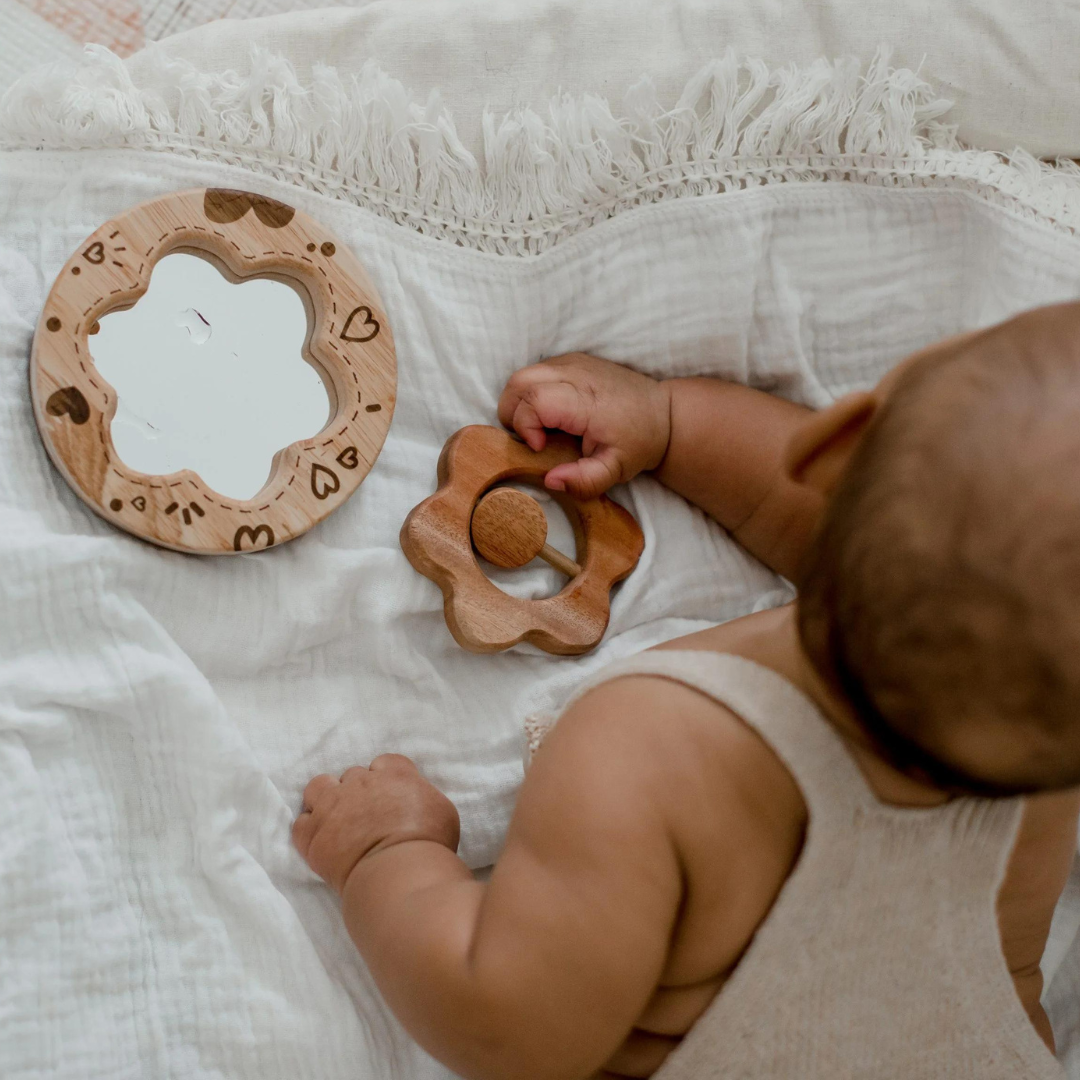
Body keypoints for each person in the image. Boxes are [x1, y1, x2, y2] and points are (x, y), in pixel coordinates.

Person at [292, 302, 1080, 1079]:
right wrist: (668, 424)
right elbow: (812, 509)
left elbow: (500, 1024)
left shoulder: (651, 756)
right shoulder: (1042, 774)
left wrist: (385, 854)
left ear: (840, 438)